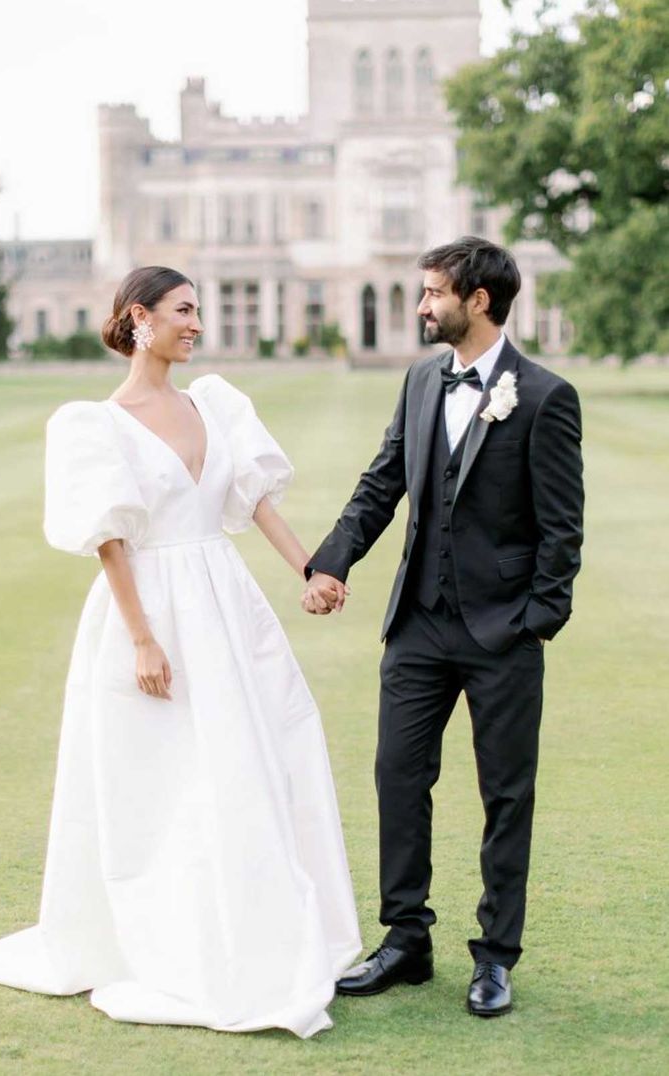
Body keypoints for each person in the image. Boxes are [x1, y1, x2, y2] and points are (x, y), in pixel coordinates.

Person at [0, 266, 360, 1038]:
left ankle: (259, 922)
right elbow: (112, 541)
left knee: (258, 756)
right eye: (183, 311)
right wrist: (142, 638)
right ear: (139, 318)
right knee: (165, 778)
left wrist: (310, 571)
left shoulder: (214, 402)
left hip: (225, 603)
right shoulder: (94, 424)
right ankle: (169, 938)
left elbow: (255, 500)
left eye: (199, 311)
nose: (197, 325)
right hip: (149, 607)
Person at [302, 237, 584, 1016]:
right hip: (419, 625)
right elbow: (382, 480)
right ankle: (405, 939)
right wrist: (332, 562)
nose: (422, 307)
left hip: (503, 634)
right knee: (398, 775)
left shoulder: (547, 396)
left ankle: (495, 956)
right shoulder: (422, 380)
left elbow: (563, 529)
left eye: (432, 293)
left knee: (506, 795)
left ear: (478, 299)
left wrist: (536, 621)